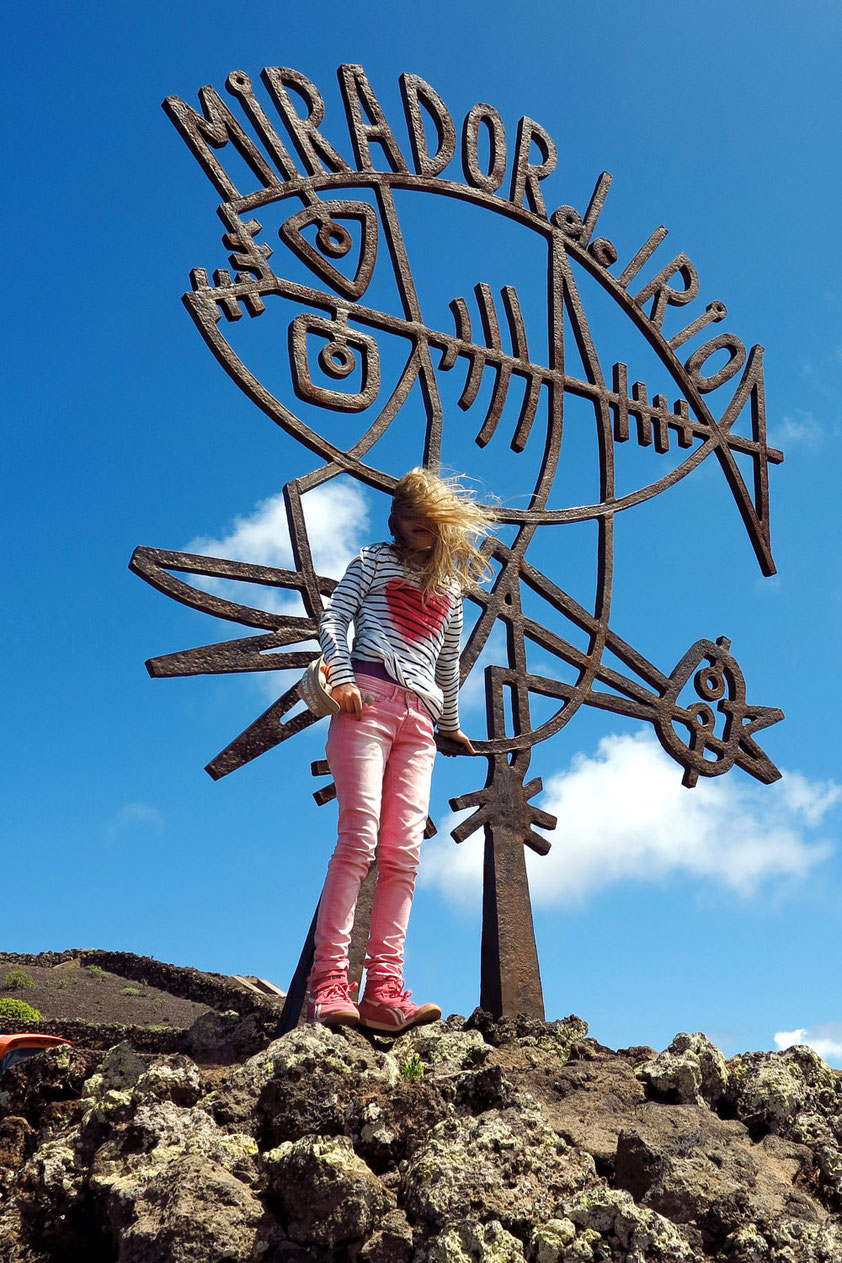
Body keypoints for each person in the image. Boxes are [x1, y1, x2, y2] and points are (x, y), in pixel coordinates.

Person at [307, 467, 496, 1033]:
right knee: (359, 840)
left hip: (421, 719)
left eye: (432, 521)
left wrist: (451, 724)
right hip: (365, 700)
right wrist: (341, 677)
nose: (421, 528)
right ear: (395, 517)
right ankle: (329, 985)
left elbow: (447, 664)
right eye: (413, 518)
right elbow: (335, 618)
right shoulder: (370, 561)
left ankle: (384, 990)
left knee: (403, 852)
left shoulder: (452, 591)